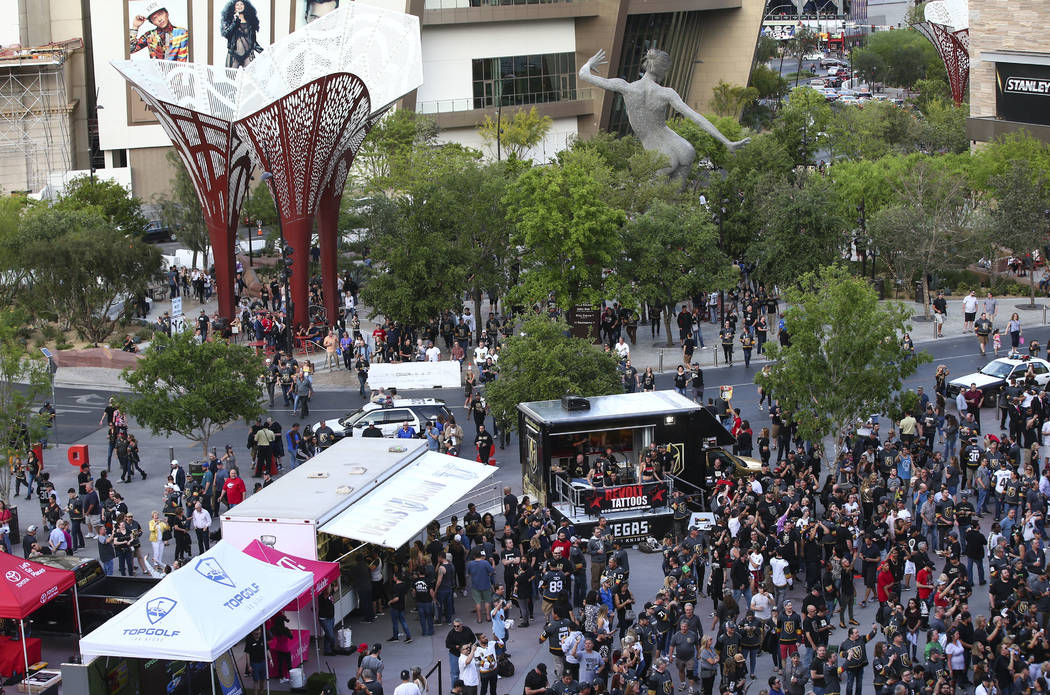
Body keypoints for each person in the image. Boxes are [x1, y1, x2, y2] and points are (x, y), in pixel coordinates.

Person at [578, 48, 748, 186]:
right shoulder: (667, 93)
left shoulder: (626, 87)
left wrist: (589, 63)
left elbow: (583, 75)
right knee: (675, 203)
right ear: (663, 71)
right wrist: (726, 142)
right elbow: (696, 117)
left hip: (660, 154)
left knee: (655, 205)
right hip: (682, 147)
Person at [220, 0, 262, 68]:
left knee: (250, 74)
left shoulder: (250, 21)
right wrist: (235, 22)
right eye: (237, 4)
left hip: (248, 55)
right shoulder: (229, 20)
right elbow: (226, 34)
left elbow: (253, 41)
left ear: (245, 6)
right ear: (233, 7)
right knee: (230, 74)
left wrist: (262, 52)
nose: (239, 6)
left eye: (241, 4)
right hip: (233, 55)